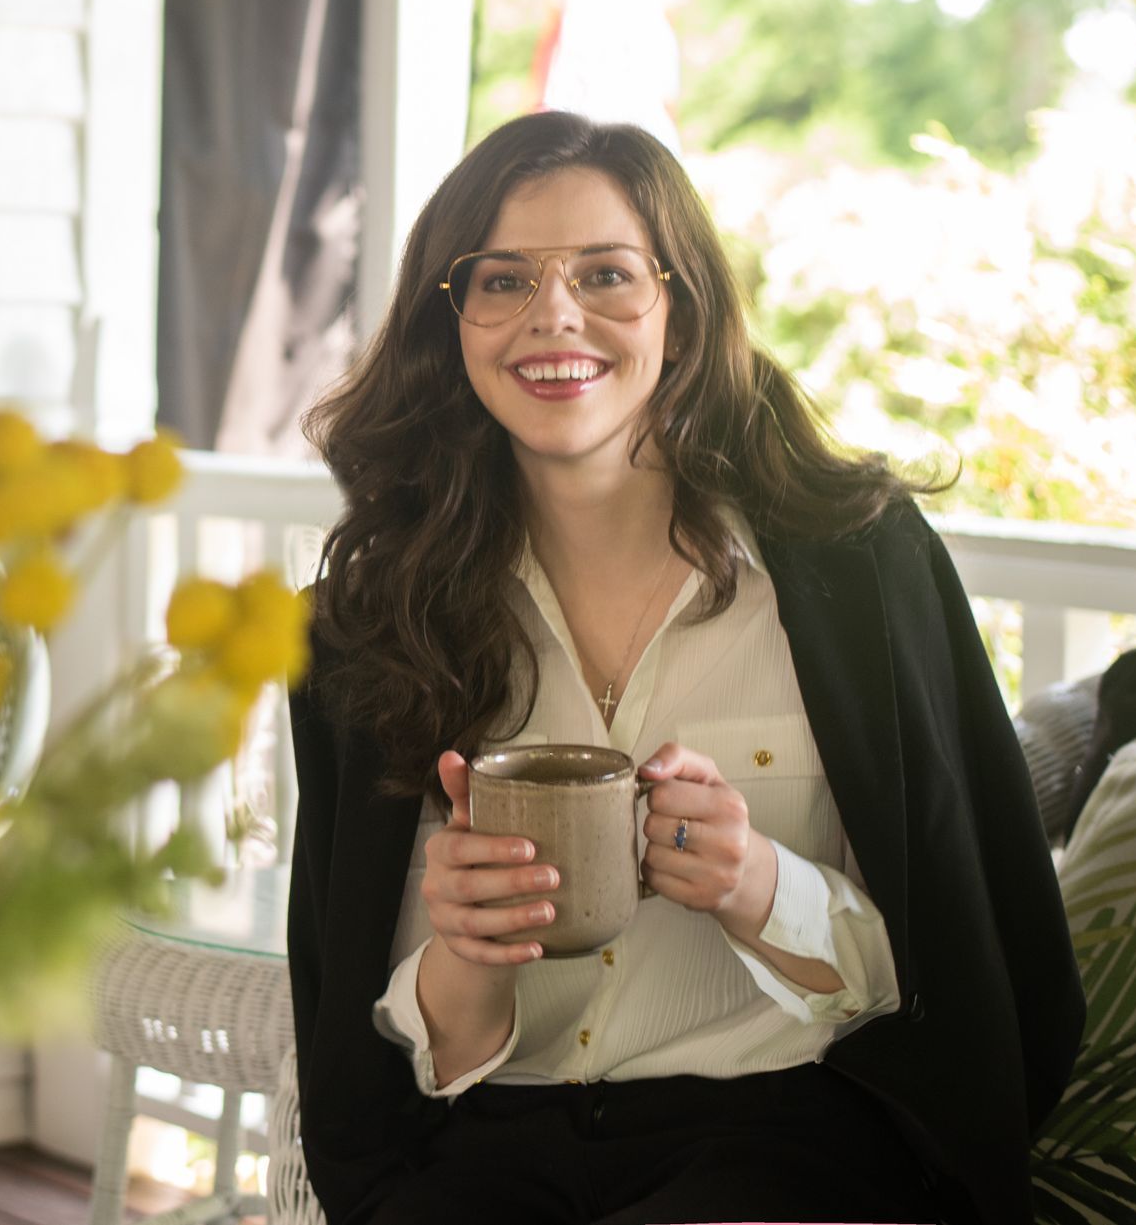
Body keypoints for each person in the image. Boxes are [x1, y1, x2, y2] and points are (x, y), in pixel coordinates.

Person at [286, 112, 1084, 1225]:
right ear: (451, 322)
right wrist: (470, 950)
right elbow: (373, 1052)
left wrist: (761, 888)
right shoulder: (369, 620)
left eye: (607, 273)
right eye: (503, 280)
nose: (553, 316)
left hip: (784, 1136)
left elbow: (958, 961)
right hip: (477, 1153)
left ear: (683, 304)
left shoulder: (859, 575)